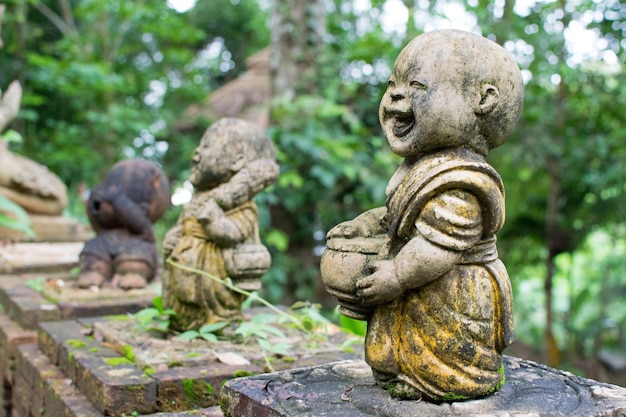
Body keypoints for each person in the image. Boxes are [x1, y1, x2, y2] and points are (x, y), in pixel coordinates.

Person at [325, 29, 523, 401]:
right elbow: (398, 214)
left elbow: (438, 245)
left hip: (450, 291)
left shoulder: (460, 182)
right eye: (392, 85)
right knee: (402, 347)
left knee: (444, 354)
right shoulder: (419, 167)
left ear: (482, 99)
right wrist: (365, 224)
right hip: (417, 283)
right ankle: (403, 373)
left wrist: (398, 275)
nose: (396, 96)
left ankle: (445, 381)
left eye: (417, 85)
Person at [162, 118, 279, 331]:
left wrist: (214, 222)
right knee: (182, 298)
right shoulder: (196, 198)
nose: (196, 153)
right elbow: (183, 225)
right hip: (183, 262)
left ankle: (220, 322)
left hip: (212, 267)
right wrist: (173, 238)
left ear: (237, 161)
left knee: (212, 297)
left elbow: (235, 233)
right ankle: (182, 322)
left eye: (206, 146)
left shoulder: (240, 204)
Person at [78, 159, 170, 289]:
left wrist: (117, 201)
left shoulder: (141, 218)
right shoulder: (107, 225)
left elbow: (140, 224)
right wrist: (93, 204)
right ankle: (93, 272)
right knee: (93, 250)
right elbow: (97, 225)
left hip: (134, 244)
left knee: (136, 255)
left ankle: (133, 274)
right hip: (106, 241)